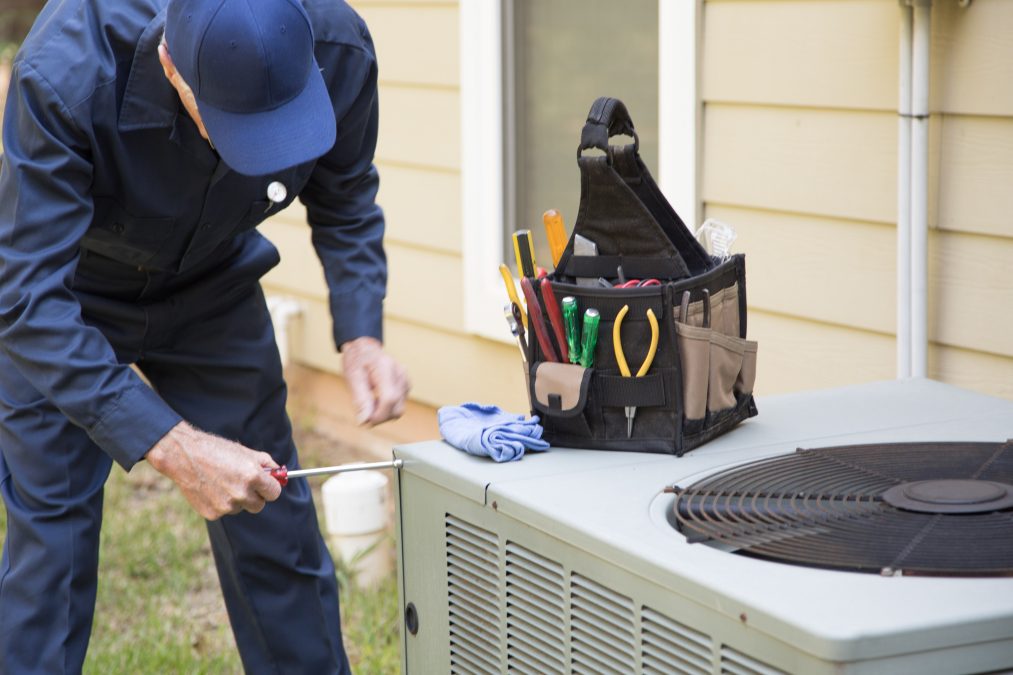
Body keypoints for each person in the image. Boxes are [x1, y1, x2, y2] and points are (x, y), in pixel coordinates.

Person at [0, 0, 409, 671]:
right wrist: (172, 443)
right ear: (171, 66)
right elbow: (25, 297)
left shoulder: (339, 49)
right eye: (235, 127)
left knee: (271, 518)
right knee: (53, 550)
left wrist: (360, 332)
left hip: (212, 285)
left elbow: (346, 191)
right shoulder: (64, 74)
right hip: (69, 297)